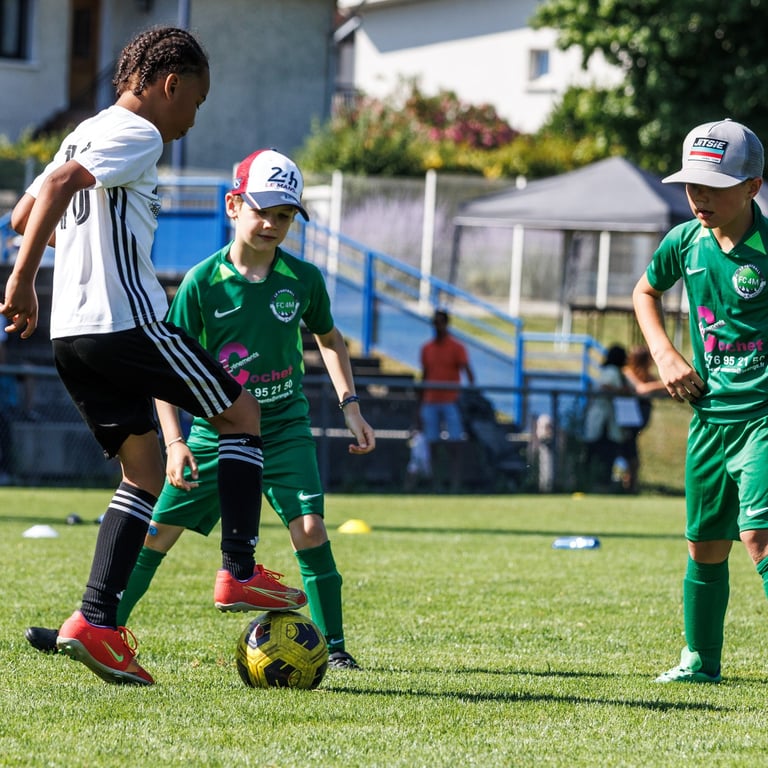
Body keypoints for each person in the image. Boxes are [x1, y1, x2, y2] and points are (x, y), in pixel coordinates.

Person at [3, 27, 306, 687]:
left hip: (72, 336)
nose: (193, 117)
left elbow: (26, 214)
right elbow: (59, 187)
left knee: (142, 473)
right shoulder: (138, 132)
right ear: (171, 85)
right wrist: (22, 278)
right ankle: (239, 569)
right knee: (241, 413)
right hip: (126, 322)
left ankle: (95, 622)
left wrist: (63, 256)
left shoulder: (83, 131)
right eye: (196, 101)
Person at [26, 149, 376, 670]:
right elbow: (166, 371)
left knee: (310, 530)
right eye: (262, 211)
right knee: (154, 534)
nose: (272, 224)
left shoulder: (303, 279)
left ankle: (335, 647)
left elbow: (329, 339)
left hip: (284, 429)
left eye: (284, 216)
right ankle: (93, 627)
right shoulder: (201, 282)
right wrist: (174, 442)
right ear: (233, 206)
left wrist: (351, 405)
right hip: (216, 436)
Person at [633, 118, 768, 683]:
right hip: (708, 419)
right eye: (691, 183)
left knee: (758, 535)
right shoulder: (684, 240)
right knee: (705, 546)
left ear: (753, 187)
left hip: (762, 417)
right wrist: (664, 354)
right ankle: (701, 661)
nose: (699, 196)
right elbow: (645, 291)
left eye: (714, 184)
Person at [419, 308, 475, 491]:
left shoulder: (457, 347)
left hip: (451, 401)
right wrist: (420, 402)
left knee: (455, 444)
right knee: (432, 444)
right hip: (430, 401)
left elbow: (468, 372)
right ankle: (436, 483)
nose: (438, 326)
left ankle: (455, 484)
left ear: (446, 324)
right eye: (435, 323)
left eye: (440, 322)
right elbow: (425, 375)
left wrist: (470, 396)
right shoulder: (427, 348)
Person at [582, 344, 633, 490]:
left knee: (604, 454)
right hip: (603, 421)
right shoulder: (611, 371)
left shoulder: (614, 372)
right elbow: (604, 387)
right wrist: (620, 391)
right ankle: (595, 482)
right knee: (601, 453)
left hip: (607, 420)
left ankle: (600, 482)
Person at [621, 345, 667, 493]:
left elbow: (663, 391)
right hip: (627, 421)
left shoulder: (647, 376)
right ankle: (627, 484)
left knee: (632, 453)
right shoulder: (628, 372)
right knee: (630, 454)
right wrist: (663, 383)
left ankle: (631, 484)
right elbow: (641, 389)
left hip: (638, 422)